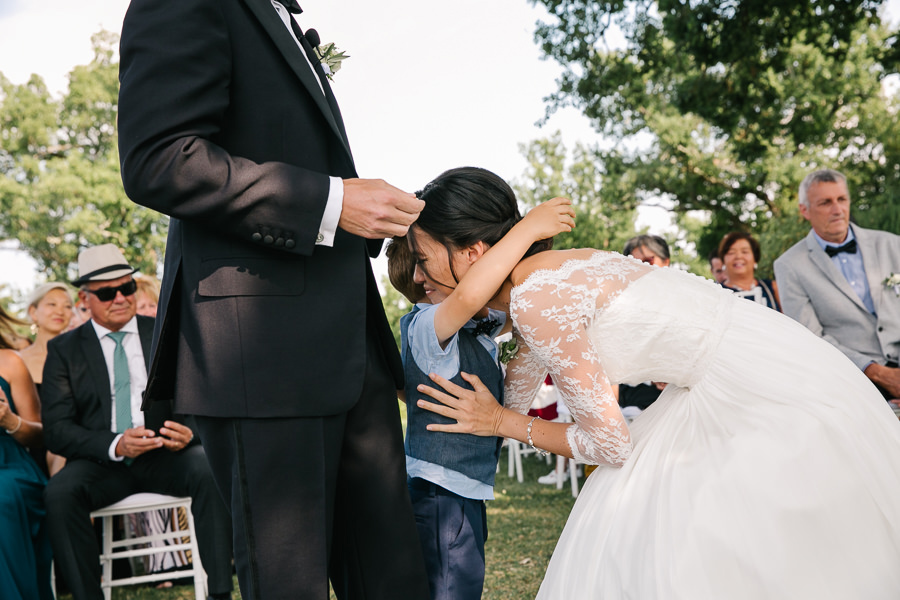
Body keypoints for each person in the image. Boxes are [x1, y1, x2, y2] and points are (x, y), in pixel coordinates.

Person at [406, 167, 900, 599]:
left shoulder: (536, 296)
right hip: (742, 366)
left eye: (424, 259)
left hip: (756, 388)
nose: (420, 279)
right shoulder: (539, 279)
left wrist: (500, 421)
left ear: (472, 253)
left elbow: (610, 443)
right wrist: (492, 410)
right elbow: (519, 384)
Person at [116, 1, 431, 598]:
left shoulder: (276, 13)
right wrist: (331, 203)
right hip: (260, 362)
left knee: (395, 578)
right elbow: (158, 157)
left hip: (346, 345)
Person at [392, 179, 574, 600]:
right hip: (439, 493)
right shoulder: (425, 326)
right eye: (419, 265)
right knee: (451, 589)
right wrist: (526, 228)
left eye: (424, 262)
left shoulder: (470, 327)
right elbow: (473, 294)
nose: (422, 278)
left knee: (462, 584)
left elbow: (507, 301)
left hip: (461, 491)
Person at [41, 244, 234, 600]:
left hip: (165, 454)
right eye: (106, 293)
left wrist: (189, 431)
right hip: (101, 463)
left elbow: (203, 391)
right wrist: (115, 444)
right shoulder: (64, 351)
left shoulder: (166, 332)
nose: (120, 298)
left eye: (127, 288)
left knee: (210, 469)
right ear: (85, 299)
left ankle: (220, 592)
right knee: (60, 493)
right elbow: (57, 430)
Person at [774, 168, 900, 399]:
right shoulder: (789, 265)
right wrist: (880, 374)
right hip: (853, 378)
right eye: (825, 203)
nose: (837, 210)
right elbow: (811, 338)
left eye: (842, 199)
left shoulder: (892, 245)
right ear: (805, 210)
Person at [0, 305, 53, 600]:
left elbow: (41, 433)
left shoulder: (9, 362)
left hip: (10, 465)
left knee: (1, 495)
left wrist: (9, 421)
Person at [19, 282, 74, 475]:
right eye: (52, 304)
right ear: (33, 312)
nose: (60, 311)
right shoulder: (17, 361)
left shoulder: (79, 359)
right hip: (25, 450)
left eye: (67, 306)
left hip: (69, 450)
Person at [718, 231, 782, 311]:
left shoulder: (773, 288)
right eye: (731, 253)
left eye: (745, 252)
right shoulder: (715, 292)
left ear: (755, 258)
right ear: (723, 260)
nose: (738, 256)